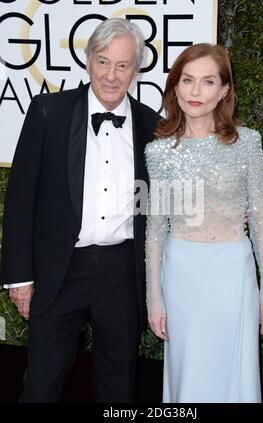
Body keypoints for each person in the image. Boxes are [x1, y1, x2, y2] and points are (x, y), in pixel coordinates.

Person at [1, 18, 160, 402]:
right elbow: (21, 199)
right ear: (88, 61)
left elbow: (158, 206)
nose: (111, 74)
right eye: (103, 61)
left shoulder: (151, 125)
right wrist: (19, 277)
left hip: (122, 272)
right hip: (59, 267)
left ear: (135, 70)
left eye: (123, 65)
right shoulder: (47, 112)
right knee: (41, 386)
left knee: (116, 387)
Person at [145, 43, 263, 403]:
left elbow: (262, 221)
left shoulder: (246, 142)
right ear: (175, 87)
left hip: (232, 273)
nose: (195, 91)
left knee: (232, 372)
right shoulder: (158, 151)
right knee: (189, 371)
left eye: (207, 82)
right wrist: (154, 297)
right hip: (181, 275)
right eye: (187, 80)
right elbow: (156, 229)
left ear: (223, 91)